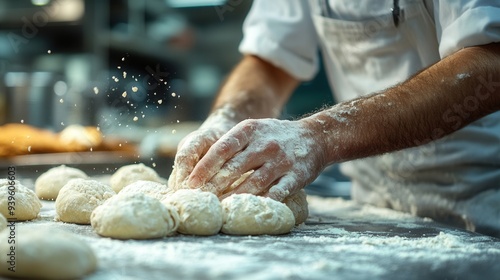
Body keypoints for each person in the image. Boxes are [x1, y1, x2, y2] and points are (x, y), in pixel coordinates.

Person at [169, 1, 500, 237]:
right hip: (377, 213)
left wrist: (323, 135)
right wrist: (229, 118)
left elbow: (491, 61)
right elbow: (271, 61)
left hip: (483, 198)